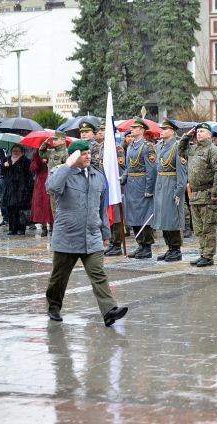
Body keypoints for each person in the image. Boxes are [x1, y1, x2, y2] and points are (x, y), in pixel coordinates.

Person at [44, 139, 128, 326]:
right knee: (59, 277)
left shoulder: (98, 176)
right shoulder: (60, 172)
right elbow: (52, 187)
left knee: (98, 273)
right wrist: (68, 164)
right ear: (73, 156)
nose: (88, 156)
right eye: (83, 154)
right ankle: (54, 307)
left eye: (88, 152)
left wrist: (105, 234)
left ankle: (109, 311)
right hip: (67, 236)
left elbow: (101, 208)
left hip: (92, 236)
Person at [179, 122, 217, 266]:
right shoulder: (194, 149)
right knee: (198, 228)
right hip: (195, 194)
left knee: (208, 227)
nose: (199, 134)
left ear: (209, 134)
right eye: (197, 132)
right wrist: (186, 136)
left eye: (202, 131)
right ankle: (203, 253)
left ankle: (208, 256)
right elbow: (180, 150)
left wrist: (215, 193)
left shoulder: (213, 150)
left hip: (208, 193)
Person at [121, 118, 157, 259]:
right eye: (132, 127)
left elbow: (151, 169)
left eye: (135, 127)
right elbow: (128, 166)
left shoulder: (147, 146)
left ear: (142, 130)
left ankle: (147, 246)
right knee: (133, 216)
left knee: (144, 216)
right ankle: (140, 244)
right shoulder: (130, 145)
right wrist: (123, 177)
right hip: (131, 185)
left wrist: (149, 188)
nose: (132, 129)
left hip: (142, 184)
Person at [153, 119, 187, 262]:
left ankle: (176, 249)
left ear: (172, 131)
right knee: (163, 219)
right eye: (161, 128)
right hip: (161, 184)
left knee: (172, 219)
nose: (161, 131)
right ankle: (169, 248)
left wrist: (179, 191)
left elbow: (182, 173)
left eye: (165, 129)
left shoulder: (177, 147)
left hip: (171, 185)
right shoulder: (160, 146)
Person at [2, 145, 32, 236]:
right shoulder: (7, 160)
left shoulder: (26, 161)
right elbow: (1, 173)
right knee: (10, 210)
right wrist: (4, 166)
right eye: (14, 151)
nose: (15, 152)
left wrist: (28, 188)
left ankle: (21, 229)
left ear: (22, 152)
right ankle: (12, 229)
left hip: (21, 189)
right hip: (9, 189)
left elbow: (29, 175)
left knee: (20, 210)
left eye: (18, 151)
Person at [39, 131, 69, 220]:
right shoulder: (51, 152)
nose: (53, 141)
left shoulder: (66, 153)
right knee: (54, 212)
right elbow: (41, 153)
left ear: (63, 140)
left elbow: (67, 171)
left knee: (62, 212)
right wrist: (46, 143)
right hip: (52, 185)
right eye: (53, 139)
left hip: (62, 187)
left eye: (56, 139)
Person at [29, 151, 54, 236]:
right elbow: (32, 168)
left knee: (50, 202)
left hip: (52, 178)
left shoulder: (53, 152)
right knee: (41, 204)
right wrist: (38, 161)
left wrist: (49, 162)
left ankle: (52, 225)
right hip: (40, 182)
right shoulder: (36, 154)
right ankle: (44, 227)